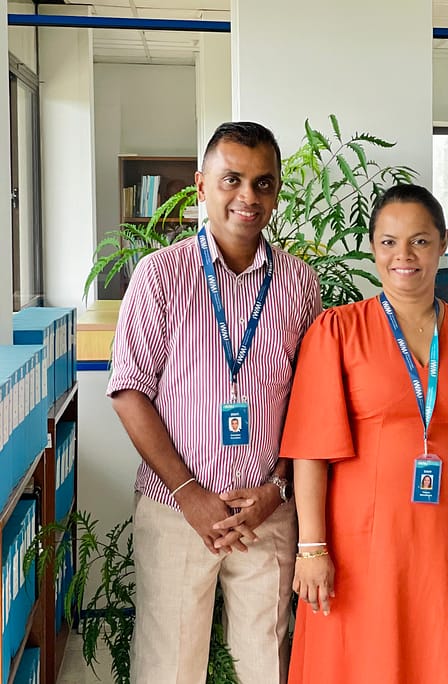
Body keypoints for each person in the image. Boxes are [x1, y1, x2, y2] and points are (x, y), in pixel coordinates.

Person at [280, 183, 448, 684]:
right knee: (363, 660)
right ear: (373, 248)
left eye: (419, 240)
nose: (404, 256)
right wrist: (312, 549)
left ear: (442, 243)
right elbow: (311, 452)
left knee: (446, 650)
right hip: (360, 541)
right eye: (389, 242)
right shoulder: (336, 331)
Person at [107, 121, 321, 683]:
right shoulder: (160, 275)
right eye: (232, 180)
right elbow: (130, 392)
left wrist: (277, 487)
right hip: (176, 509)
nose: (248, 197)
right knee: (168, 665)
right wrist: (189, 494)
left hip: (266, 512)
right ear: (201, 186)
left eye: (263, 183)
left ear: (276, 193)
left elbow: (309, 400)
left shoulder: (300, 282)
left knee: (264, 663)